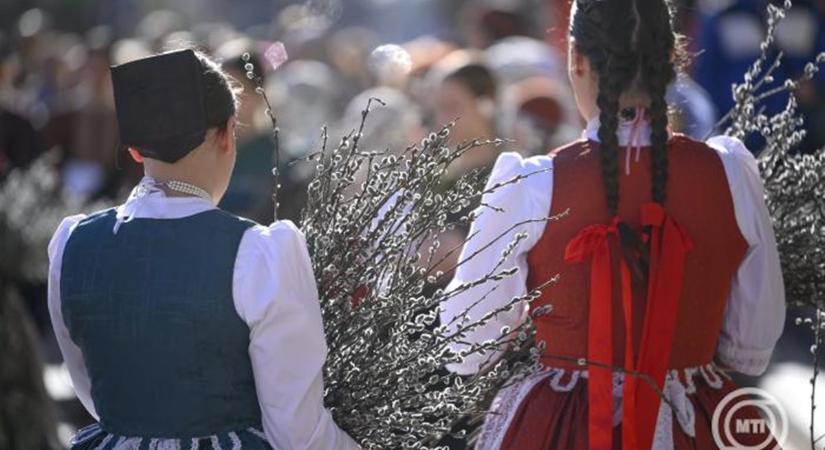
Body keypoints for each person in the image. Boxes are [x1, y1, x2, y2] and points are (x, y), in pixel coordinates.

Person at [440, 0, 786, 449]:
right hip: (698, 419)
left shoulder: (531, 184)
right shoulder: (731, 174)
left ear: (577, 60)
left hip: (558, 424)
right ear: (669, 59)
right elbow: (751, 346)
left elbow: (468, 345)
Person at [47, 49, 359, 450]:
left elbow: (91, 386)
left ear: (136, 150)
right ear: (228, 134)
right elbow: (297, 431)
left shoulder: (72, 242)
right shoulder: (258, 252)